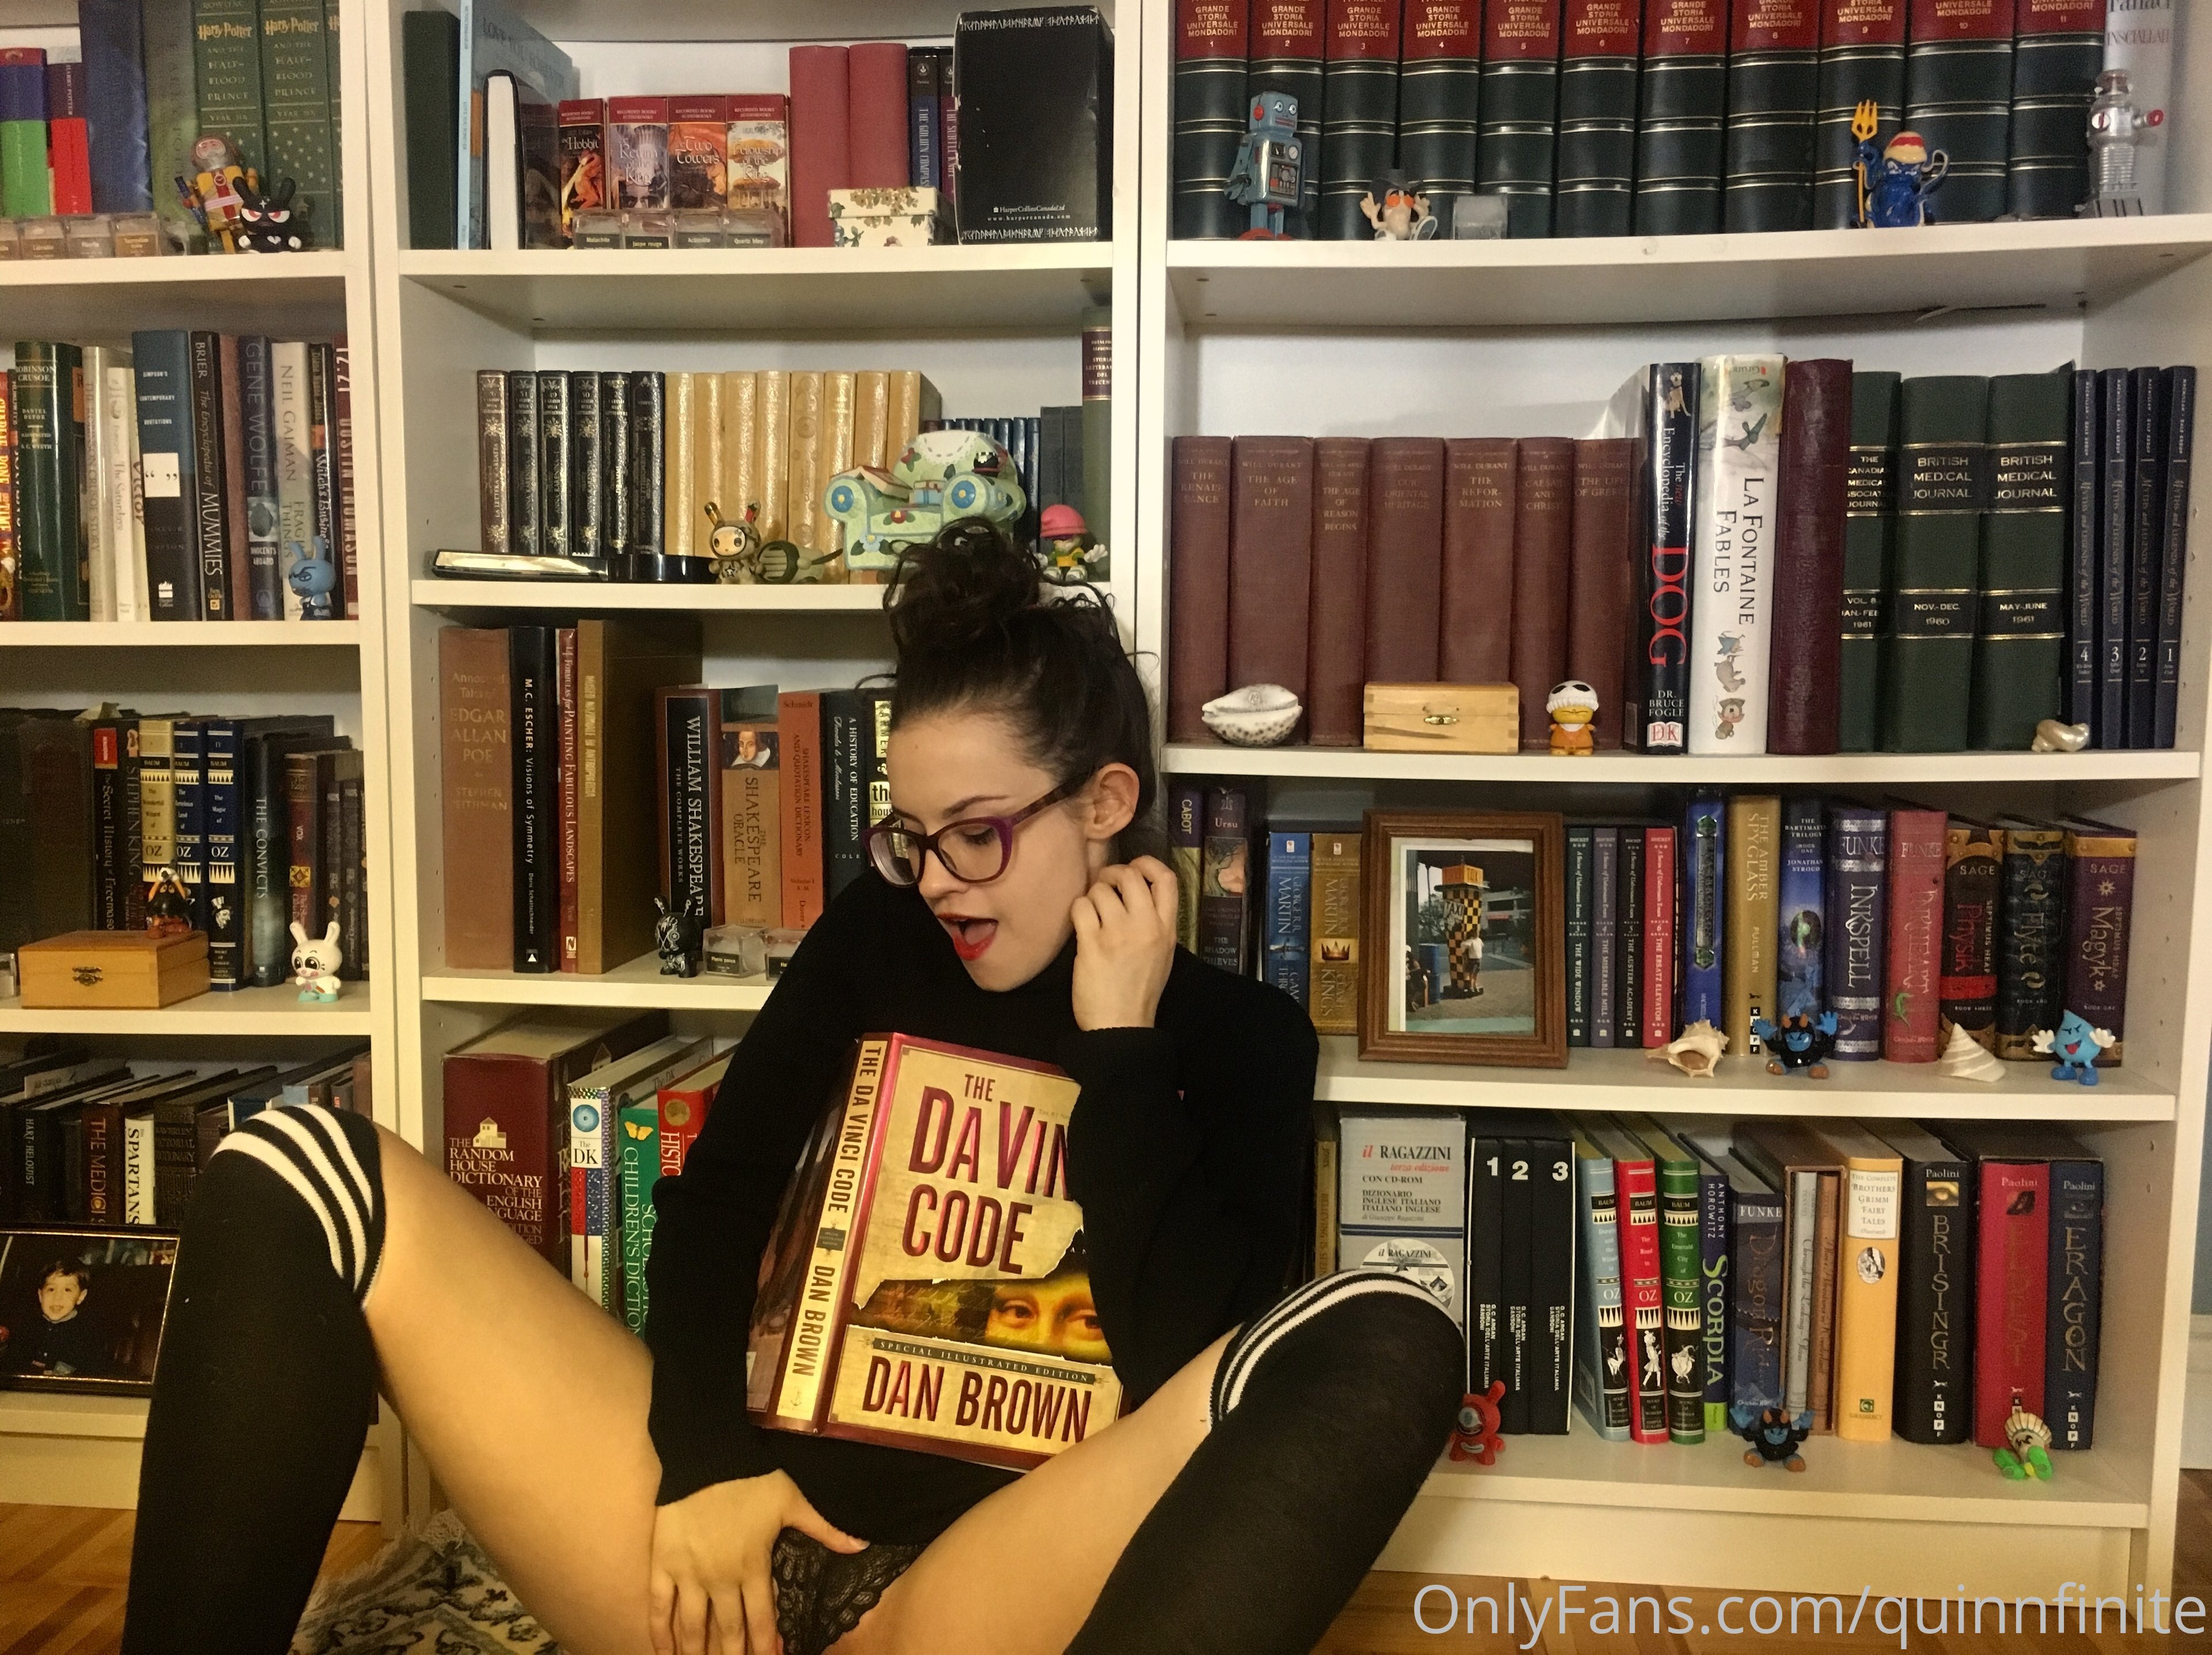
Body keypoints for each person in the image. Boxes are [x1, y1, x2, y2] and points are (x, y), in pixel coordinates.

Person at [121, 519, 1464, 1655]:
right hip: (740, 1545)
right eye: (912, 838)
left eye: (978, 836)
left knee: (1386, 1335)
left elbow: (1198, 1389)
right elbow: (717, 1200)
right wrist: (707, 1466)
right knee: (293, 1171)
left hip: (983, 1587)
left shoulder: (1240, 1038)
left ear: (1104, 801)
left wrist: (1120, 1046)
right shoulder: (882, 936)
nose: (938, 882)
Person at [7, 1258, 120, 1378]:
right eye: (51, 1290)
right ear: (40, 1296)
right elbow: (11, 1367)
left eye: (67, 1290)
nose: (58, 1297)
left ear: (81, 1296)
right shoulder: (27, 1329)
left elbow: (93, 1373)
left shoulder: (88, 1335)